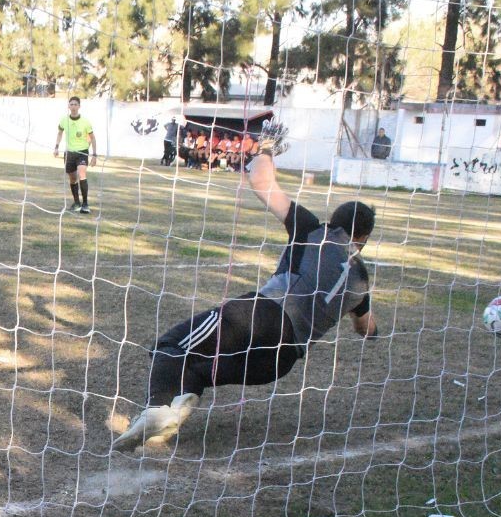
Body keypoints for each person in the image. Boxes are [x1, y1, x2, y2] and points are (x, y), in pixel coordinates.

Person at [112, 152, 378, 452]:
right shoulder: (360, 280)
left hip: (261, 316)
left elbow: (260, 180)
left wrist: (264, 150)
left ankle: (157, 410)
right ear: (364, 238)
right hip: (281, 360)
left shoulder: (312, 229)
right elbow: (366, 328)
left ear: (334, 221)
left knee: (171, 346)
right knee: (200, 368)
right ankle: (170, 415)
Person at [53, 96, 97, 214]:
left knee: (82, 174)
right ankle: (76, 202)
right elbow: (59, 133)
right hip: (69, 153)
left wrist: (94, 155)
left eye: (75, 104)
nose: (73, 106)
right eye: (71, 104)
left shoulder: (85, 122)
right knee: (72, 178)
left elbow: (92, 138)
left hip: (82, 152)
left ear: (79, 106)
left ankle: (85, 204)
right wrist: (56, 147)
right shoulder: (64, 120)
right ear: (68, 106)